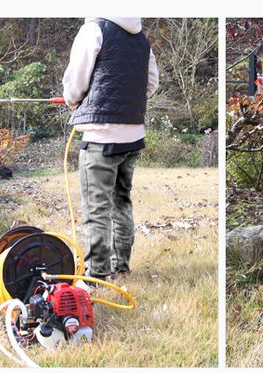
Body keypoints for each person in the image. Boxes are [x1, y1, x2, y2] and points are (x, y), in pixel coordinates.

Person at [62, 17, 159, 281]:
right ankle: (121, 266)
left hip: (100, 137)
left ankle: (97, 274)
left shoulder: (94, 29)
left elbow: (75, 83)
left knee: (97, 209)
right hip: (133, 134)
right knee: (121, 201)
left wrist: (73, 101)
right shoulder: (142, 39)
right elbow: (151, 83)